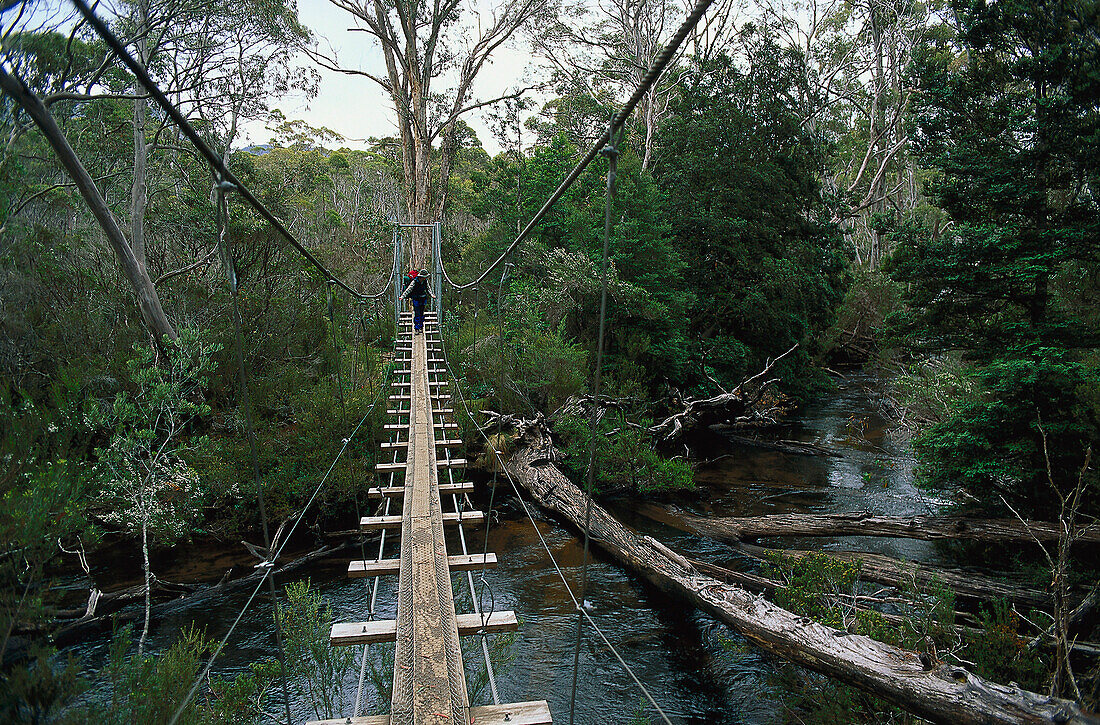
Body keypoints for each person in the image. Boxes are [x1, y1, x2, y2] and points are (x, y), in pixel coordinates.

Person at [400, 268, 435, 332]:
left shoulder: (425, 281)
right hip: (416, 299)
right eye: (425, 277)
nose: (425, 278)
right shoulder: (415, 281)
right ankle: (416, 328)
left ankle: (421, 326)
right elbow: (409, 289)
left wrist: (431, 295)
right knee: (417, 313)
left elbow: (428, 289)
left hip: (423, 299)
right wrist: (403, 296)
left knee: (421, 313)